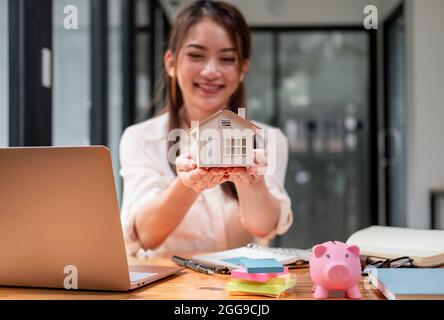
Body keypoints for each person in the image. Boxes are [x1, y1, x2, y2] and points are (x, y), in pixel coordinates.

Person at [119, 0, 293, 256]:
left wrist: (252, 183)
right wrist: (189, 183)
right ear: (171, 63)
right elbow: (145, 235)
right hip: (169, 290)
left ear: (242, 68)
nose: (211, 71)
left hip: (239, 287)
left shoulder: (268, 139)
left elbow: (264, 227)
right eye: (196, 55)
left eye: (226, 59)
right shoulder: (141, 139)